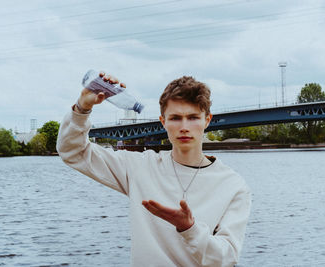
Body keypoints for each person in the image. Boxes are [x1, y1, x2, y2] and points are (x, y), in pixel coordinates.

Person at [56, 72, 252, 267]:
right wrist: (82, 108)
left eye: (193, 117)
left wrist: (189, 228)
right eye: (175, 118)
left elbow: (226, 257)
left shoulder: (233, 185)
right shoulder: (139, 167)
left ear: (207, 120)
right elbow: (73, 152)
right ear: (163, 121)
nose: (184, 127)